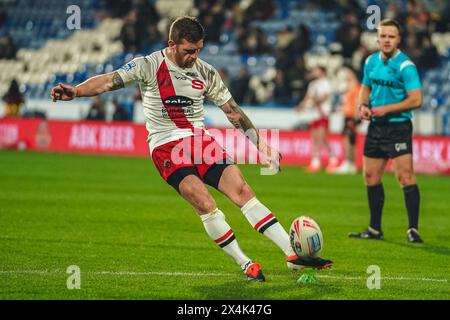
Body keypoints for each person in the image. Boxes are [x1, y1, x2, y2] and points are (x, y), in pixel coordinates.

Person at [50, 16, 333, 282]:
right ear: (171, 44)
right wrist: (76, 91)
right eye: (188, 50)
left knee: (243, 191)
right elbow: (108, 81)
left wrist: (261, 145)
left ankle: (292, 254)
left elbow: (232, 112)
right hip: (165, 145)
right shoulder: (148, 65)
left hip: (200, 141)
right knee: (206, 204)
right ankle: (245, 262)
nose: (194, 56)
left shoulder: (205, 72)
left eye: (198, 50)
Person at [348, 19, 423, 243]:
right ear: (378, 38)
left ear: (398, 39)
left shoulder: (406, 66)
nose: (387, 40)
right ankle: (375, 229)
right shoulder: (371, 61)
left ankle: (413, 229)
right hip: (376, 127)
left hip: (398, 127)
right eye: (383, 36)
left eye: (391, 36)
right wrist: (363, 106)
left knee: (405, 176)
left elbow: (417, 99)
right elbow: (365, 88)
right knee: (370, 176)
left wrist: (386, 109)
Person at [294, 66, 338, 173]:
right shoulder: (312, 84)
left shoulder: (326, 83)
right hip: (314, 114)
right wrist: (301, 106)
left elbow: (326, 96)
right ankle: (323, 160)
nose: (314, 72)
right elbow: (308, 97)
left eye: (316, 70)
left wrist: (315, 101)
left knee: (321, 137)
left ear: (322, 72)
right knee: (316, 137)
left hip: (323, 112)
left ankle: (323, 160)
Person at [333, 67, 361, 174]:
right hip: (348, 115)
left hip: (351, 117)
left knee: (349, 140)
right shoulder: (350, 89)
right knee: (349, 140)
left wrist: (356, 119)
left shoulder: (355, 88)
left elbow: (357, 104)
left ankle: (348, 162)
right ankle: (350, 164)